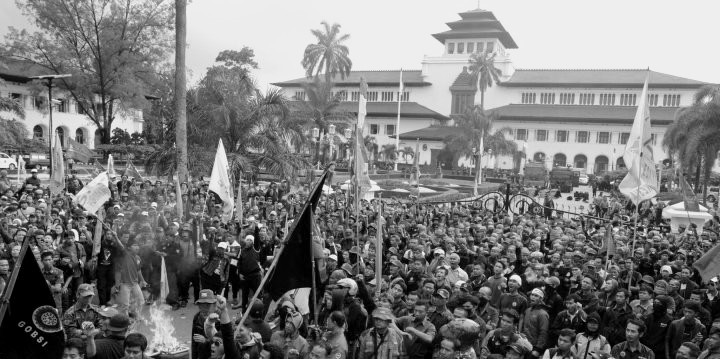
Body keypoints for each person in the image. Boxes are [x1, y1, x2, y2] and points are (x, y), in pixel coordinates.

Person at [192, 289, 217, 359]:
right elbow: (194, 343)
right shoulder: (197, 317)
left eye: (207, 305)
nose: (204, 309)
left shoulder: (220, 319)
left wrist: (206, 341)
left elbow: (223, 343)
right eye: (201, 306)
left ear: (214, 305)